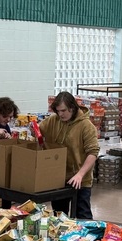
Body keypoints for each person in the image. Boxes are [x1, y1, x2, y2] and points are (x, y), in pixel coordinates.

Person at [39, 91, 100, 220]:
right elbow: (39, 130)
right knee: (59, 216)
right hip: (59, 177)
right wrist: (34, 131)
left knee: (82, 214)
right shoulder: (54, 120)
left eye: (63, 111)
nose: (60, 114)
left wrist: (80, 174)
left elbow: (93, 153)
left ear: (72, 108)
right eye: (57, 111)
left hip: (80, 179)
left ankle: (87, 239)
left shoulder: (86, 126)